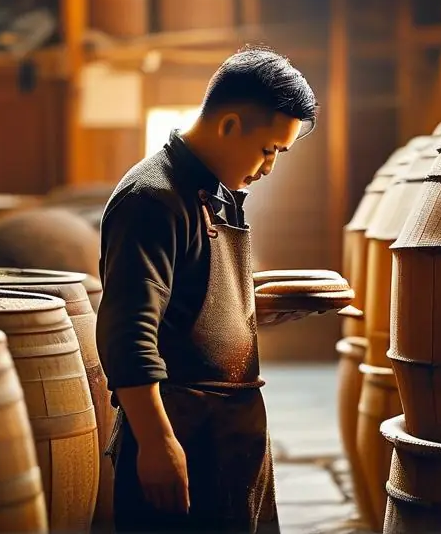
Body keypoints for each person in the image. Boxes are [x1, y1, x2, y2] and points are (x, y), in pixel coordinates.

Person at [96, 46, 319, 533]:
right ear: (230, 125)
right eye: (269, 150)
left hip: (227, 436)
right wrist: (157, 444)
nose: (269, 168)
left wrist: (251, 311)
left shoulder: (217, 191)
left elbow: (190, 303)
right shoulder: (153, 199)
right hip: (180, 431)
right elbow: (126, 334)